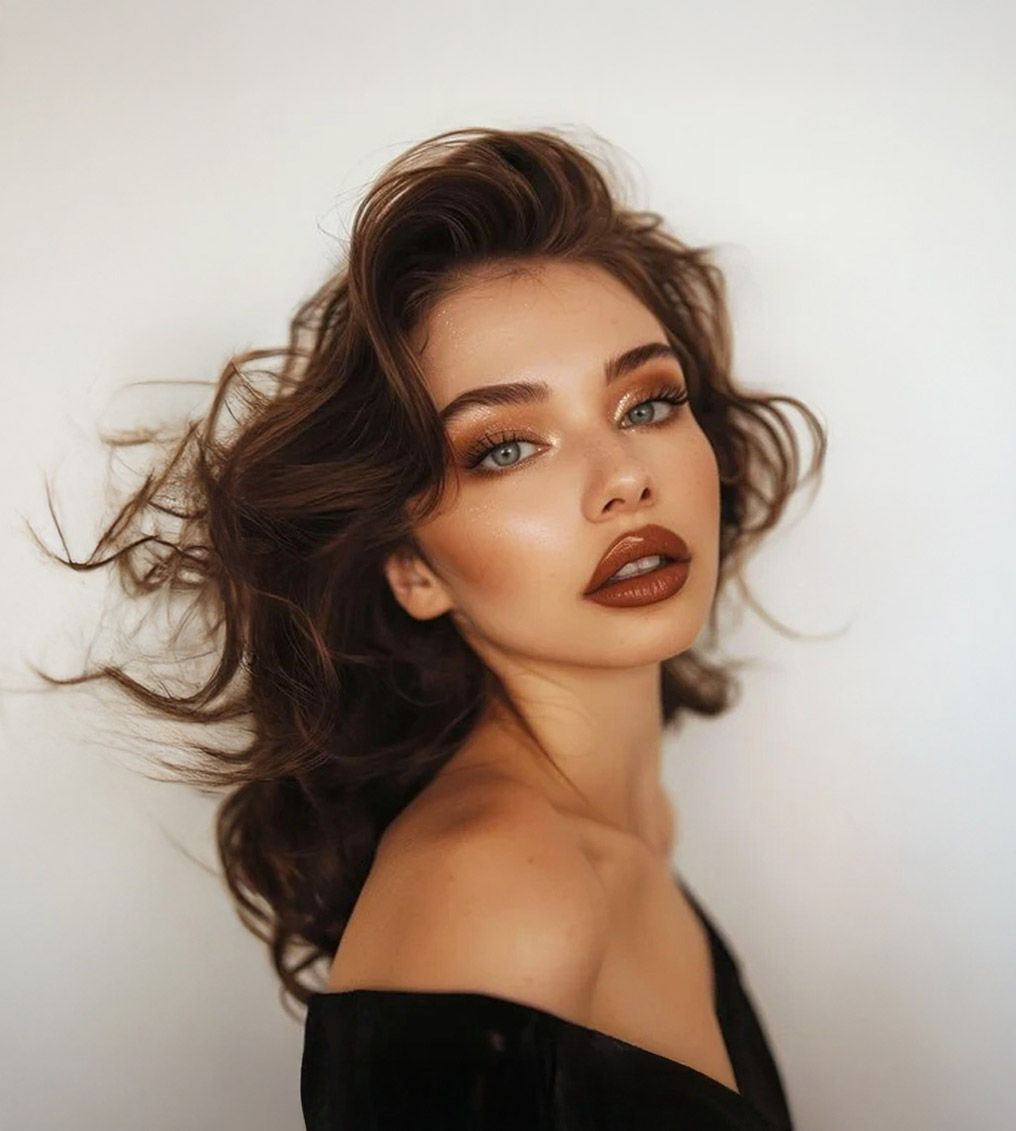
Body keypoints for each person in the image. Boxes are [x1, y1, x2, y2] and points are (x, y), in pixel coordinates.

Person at [30, 125, 826, 1129]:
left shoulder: (609, 840)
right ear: (411, 569)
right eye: (503, 450)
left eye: (645, 402)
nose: (624, 477)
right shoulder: (493, 885)